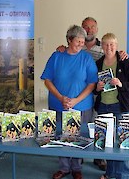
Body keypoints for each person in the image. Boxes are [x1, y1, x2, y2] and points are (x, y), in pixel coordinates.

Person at [57, 16, 128, 171]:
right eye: (86, 27)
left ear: (97, 29)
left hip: (100, 94)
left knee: (99, 128)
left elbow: (113, 54)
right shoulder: (77, 46)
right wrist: (62, 48)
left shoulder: (102, 47)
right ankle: (77, 163)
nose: (89, 30)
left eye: (92, 27)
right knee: (82, 129)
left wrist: (121, 53)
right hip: (83, 93)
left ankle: (99, 158)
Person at [41, 25, 98, 179]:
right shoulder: (56, 56)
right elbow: (47, 80)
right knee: (60, 136)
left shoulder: (86, 58)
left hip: (82, 105)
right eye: (77, 41)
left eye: (82, 41)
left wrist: (76, 100)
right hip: (58, 104)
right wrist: (61, 98)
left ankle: (77, 167)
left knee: (79, 137)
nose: (81, 44)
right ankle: (64, 168)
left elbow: (92, 83)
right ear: (68, 40)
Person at [94, 33, 129, 179]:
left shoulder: (125, 62)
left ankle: (123, 176)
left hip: (120, 107)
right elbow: (94, 86)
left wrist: (121, 84)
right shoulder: (98, 63)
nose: (109, 47)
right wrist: (97, 87)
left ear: (117, 46)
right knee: (108, 144)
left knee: (123, 142)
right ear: (102, 46)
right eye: (106, 44)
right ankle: (110, 173)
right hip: (103, 107)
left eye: (112, 44)